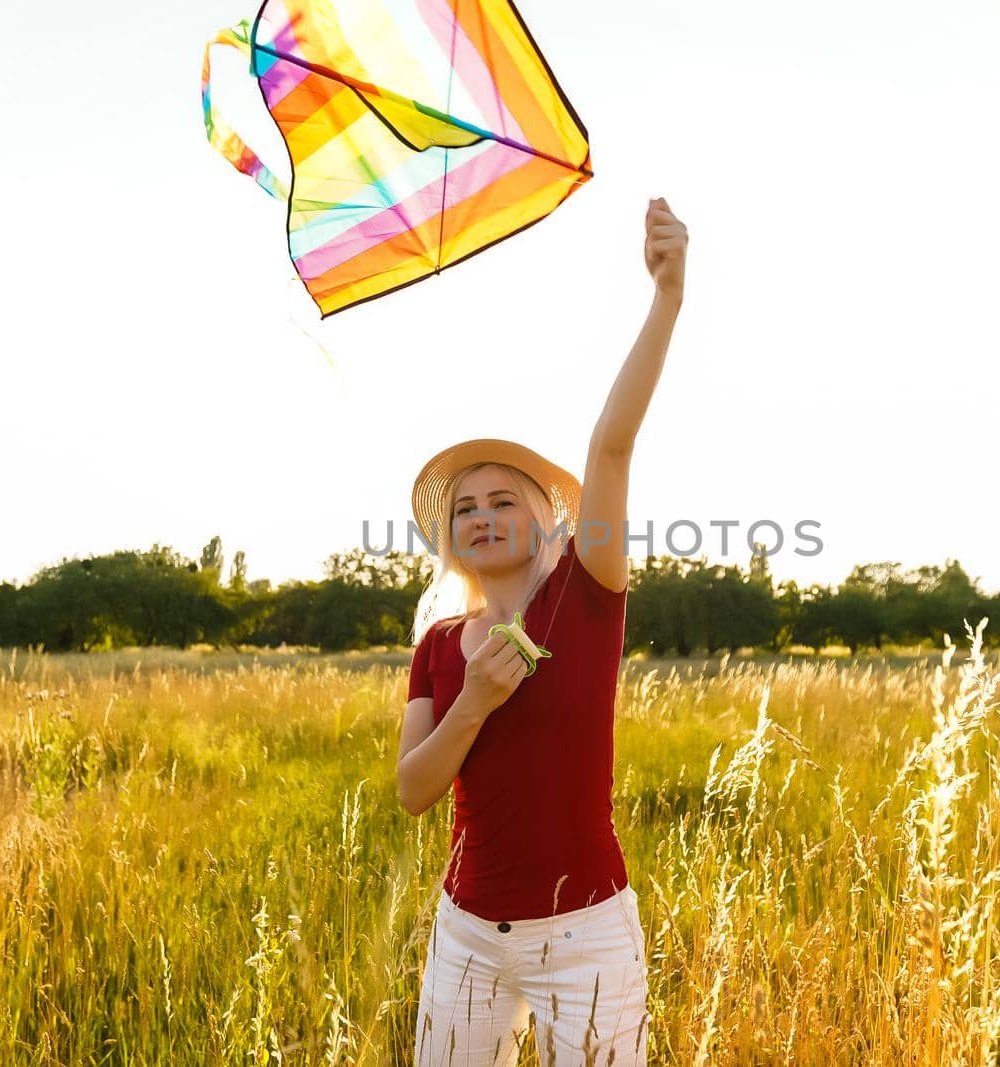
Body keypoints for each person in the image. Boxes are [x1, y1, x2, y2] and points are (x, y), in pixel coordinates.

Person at [397, 198, 687, 1066]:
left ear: (543, 516)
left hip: (588, 938)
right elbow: (414, 789)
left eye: (503, 499)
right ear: (450, 537)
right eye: (465, 507)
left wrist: (665, 301)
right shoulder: (442, 645)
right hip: (467, 936)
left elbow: (610, 449)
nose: (483, 516)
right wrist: (475, 701)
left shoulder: (587, 595)